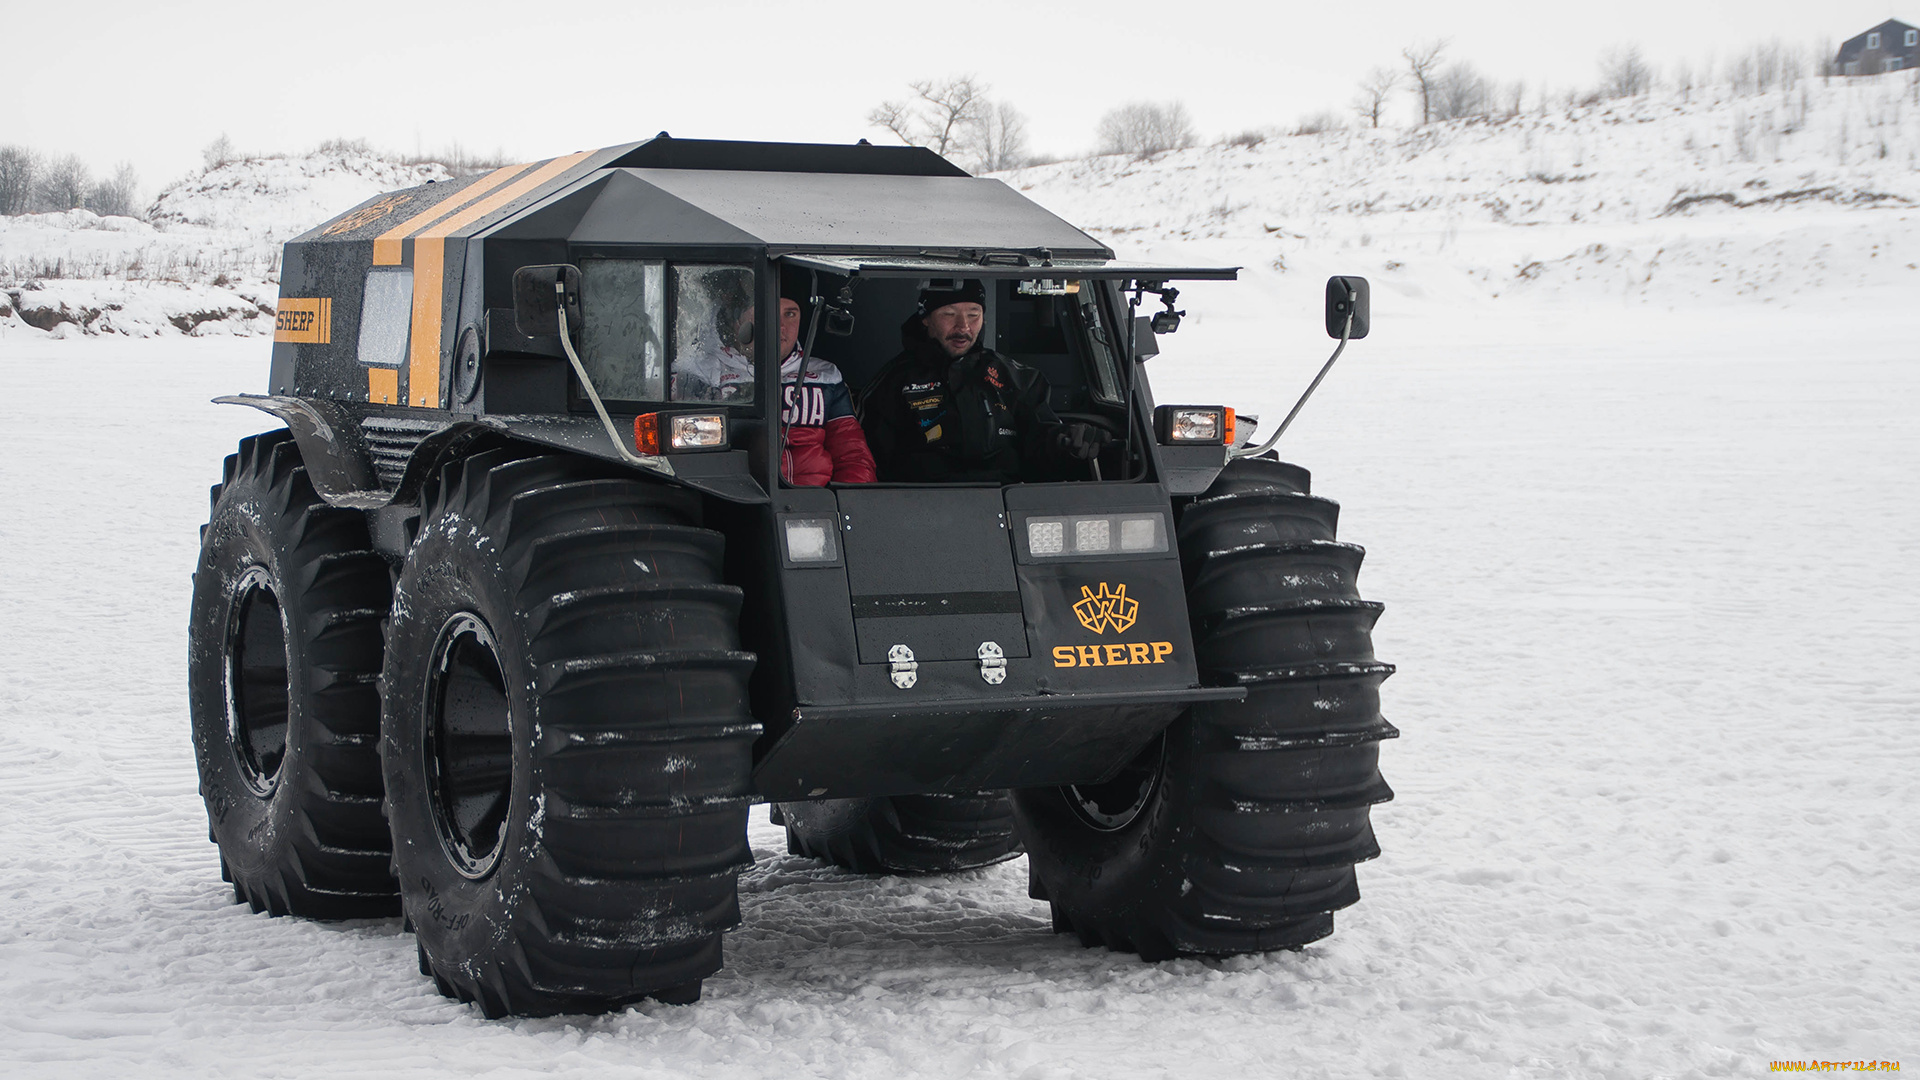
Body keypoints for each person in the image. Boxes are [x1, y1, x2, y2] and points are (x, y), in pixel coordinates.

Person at [860, 279, 1107, 483]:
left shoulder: (1015, 376)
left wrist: (1066, 442)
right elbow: (868, 464)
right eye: (949, 314)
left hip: (1007, 506)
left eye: (973, 314)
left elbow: (1039, 440)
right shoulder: (892, 383)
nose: (963, 326)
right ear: (926, 319)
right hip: (924, 513)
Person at [672, 271, 876, 486]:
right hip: (736, 499)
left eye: (790, 314)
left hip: (816, 503)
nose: (780, 326)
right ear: (736, 321)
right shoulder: (700, 372)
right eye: (766, 312)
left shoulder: (826, 376)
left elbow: (853, 456)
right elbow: (689, 459)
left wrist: (847, 504)